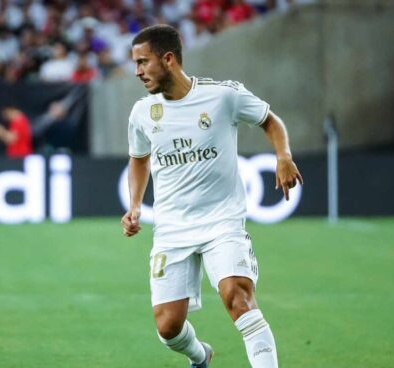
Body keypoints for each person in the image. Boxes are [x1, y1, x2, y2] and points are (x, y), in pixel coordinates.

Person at [121, 25, 302, 368]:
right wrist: (134, 205)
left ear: (168, 59)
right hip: (172, 228)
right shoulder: (143, 113)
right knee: (168, 326)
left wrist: (283, 156)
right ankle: (200, 355)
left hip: (222, 222)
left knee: (238, 298)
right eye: (136, 63)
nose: (137, 71)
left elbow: (270, 120)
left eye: (143, 62)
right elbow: (139, 158)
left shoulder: (223, 96)